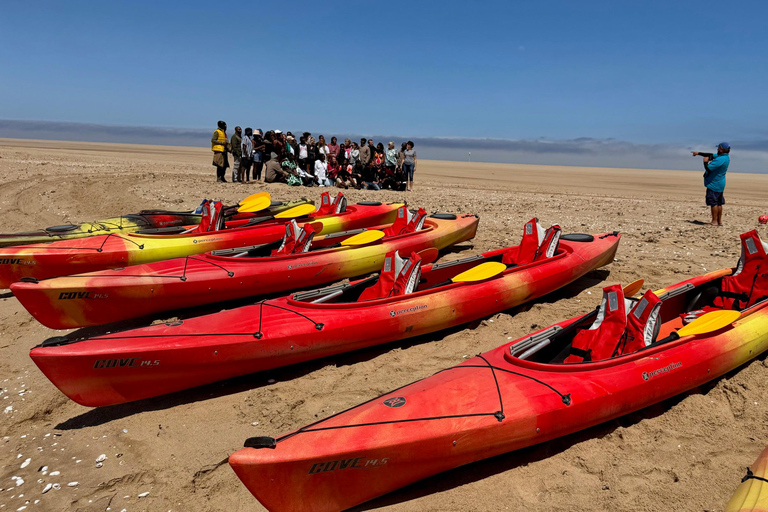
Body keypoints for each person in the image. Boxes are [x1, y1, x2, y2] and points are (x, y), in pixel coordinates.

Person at [692, 142, 731, 226]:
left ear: (722, 149)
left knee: (714, 203)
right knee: (719, 203)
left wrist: (705, 162)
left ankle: (714, 221)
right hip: (720, 183)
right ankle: (719, 221)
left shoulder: (720, 159)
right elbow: (710, 155)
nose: (717, 149)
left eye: (718, 148)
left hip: (714, 184)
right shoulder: (725, 157)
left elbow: (709, 169)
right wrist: (698, 153)